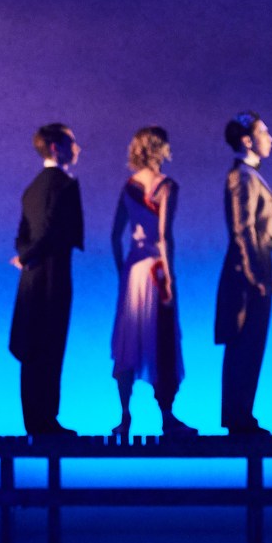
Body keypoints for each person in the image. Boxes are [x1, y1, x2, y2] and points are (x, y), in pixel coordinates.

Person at [109, 127, 197, 437]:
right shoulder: (166, 186)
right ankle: (167, 416)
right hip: (156, 271)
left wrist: (122, 270)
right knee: (162, 339)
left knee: (128, 341)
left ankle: (124, 416)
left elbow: (115, 236)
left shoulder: (129, 186)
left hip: (133, 271)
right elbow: (164, 236)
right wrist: (169, 278)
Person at [8, 123, 84, 436]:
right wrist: (27, 255)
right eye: (71, 142)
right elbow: (51, 230)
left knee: (32, 346)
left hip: (31, 277)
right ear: (56, 147)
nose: (77, 148)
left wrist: (24, 256)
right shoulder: (64, 185)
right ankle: (46, 422)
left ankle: (35, 421)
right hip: (52, 275)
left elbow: (22, 234)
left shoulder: (33, 187)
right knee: (50, 345)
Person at [214, 111, 272, 436]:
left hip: (255, 262)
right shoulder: (242, 177)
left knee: (251, 343)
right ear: (247, 140)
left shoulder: (249, 176)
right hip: (249, 266)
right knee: (245, 341)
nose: (269, 138)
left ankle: (242, 415)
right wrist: (256, 275)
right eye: (263, 132)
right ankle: (238, 417)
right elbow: (242, 229)